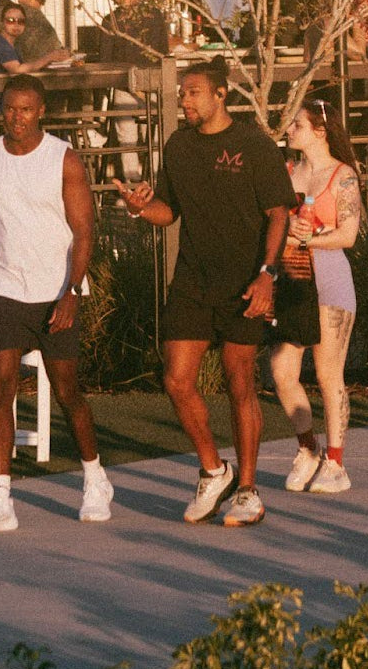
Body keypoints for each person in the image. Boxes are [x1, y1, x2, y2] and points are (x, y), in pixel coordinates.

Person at [114, 56, 292, 526]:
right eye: (182, 94)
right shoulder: (178, 145)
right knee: (176, 380)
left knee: (239, 384)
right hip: (193, 280)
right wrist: (139, 207)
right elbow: (167, 212)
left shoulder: (254, 145)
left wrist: (267, 275)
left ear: (220, 95)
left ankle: (249, 489)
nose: (185, 100)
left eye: (193, 93)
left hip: (246, 282)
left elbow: (279, 213)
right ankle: (214, 469)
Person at [0, 74, 112, 531]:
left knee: (68, 392)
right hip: (5, 290)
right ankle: (1, 500)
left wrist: (72, 290)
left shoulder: (63, 160)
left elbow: (85, 231)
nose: (16, 117)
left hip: (56, 292)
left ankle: (94, 477)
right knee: (1, 386)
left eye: (26, 109)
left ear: (41, 112)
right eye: (10, 108)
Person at [271, 99, 361, 494]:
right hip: (292, 279)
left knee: (328, 373)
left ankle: (336, 462)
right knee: (281, 371)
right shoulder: (287, 172)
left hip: (328, 280)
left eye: (297, 124)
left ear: (320, 131)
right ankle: (308, 447)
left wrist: (314, 236)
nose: (290, 130)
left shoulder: (342, 177)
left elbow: (349, 233)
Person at [99, 0, 170, 181]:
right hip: (153, 84)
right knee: (155, 141)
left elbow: (105, 62)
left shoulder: (111, 20)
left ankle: (133, 188)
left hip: (124, 85)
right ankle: (157, 184)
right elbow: (164, 53)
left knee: (127, 141)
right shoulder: (155, 15)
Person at [0, 2, 69, 115]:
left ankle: (64, 129)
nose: (16, 25)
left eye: (20, 21)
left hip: (9, 98)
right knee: (54, 103)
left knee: (58, 99)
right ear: (2, 23)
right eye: (10, 21)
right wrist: (49, 57)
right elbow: (17, 69)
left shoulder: (12, 44)